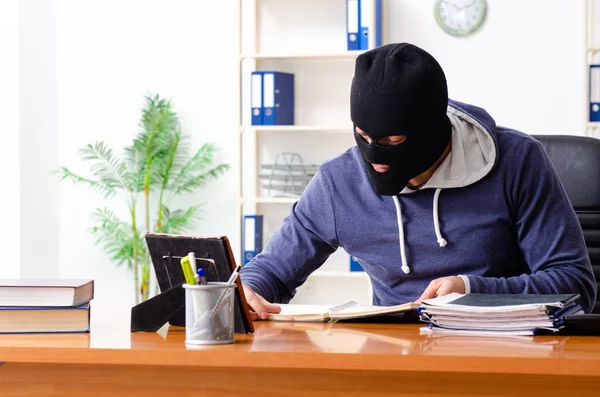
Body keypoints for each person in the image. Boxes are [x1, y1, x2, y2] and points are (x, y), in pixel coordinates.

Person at [239, 42, 597, 320]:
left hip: (510, 354)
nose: (376, 159)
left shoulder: (517, 162)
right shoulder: (339, 182)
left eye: (394, 143)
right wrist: (250, 291)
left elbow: (575, 284)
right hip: (396, 361)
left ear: (433, 131)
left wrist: (471, 290)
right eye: (363, 137)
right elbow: (272, 270)